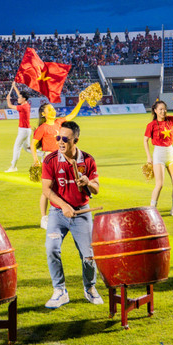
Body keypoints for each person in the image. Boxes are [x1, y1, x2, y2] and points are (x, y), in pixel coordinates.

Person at [41, 120, 102, 307]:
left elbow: (97, 189)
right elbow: (46, 190)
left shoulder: (88, 160)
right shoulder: (50, 160)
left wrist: (88, 182)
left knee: (88, 255)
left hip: (82, 213)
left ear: (76, 139)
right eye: (58, 137)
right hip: (58, 213)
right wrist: (63, 206)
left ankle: (90, 288)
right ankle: (59, 291)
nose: (60, 142)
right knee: (51, 248)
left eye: (65, 139)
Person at [31, 97, 87, 228]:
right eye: (49, 109)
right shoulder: (43, 128)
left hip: (62, 157)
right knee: (48, 189)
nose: (52, 110)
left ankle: (67, 211)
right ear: (43, 114)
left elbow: (72, 115)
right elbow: (33, 144)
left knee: (65, 185)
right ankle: (44, 218)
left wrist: (80, 102)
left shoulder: (59, 123)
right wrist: (36, 160)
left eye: (53, 108)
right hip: (50, 158)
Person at [142, 99, 173, 217]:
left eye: (164, 109)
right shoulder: (151, 125)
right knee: (159, 184)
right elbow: (145, 140)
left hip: (170, 153)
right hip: (158, 154)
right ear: (155, 111)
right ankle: (152, 210)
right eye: (160, 109)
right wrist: (148, 157)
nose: (163, 111)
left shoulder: (169, 120)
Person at [4, 84, 33, 172]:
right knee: (27, 148)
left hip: (23, 130)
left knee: (17, 147)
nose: (18, 98)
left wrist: (8, 100)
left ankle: (13, 166)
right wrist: (14, 86)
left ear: (24, 99)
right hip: (27, 130)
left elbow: (10, 106)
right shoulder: (26, 104)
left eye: (19, 97)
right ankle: (43, 154)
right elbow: (20, 94)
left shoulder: (23, 107)